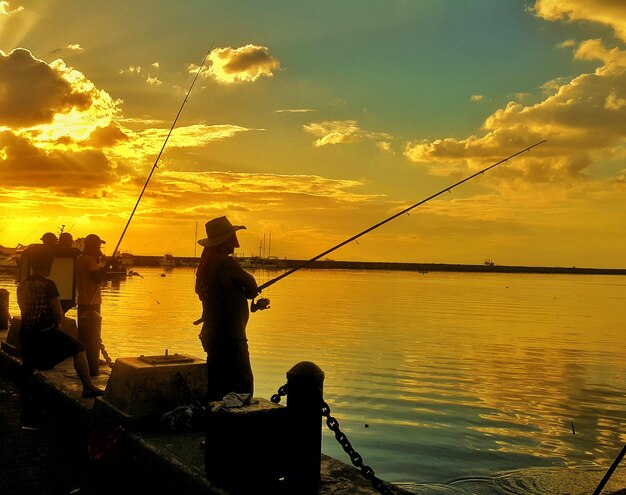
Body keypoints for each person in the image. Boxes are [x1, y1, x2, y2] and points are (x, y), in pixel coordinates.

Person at [17, 250, 103, 414]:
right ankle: (88, 387)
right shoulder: (48, 285)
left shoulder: (23, 284)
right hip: (45, 332)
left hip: (26, 333)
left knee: (27, 370)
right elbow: (58, 313)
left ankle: (25, 406)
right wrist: (59, 327)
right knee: (79, 347)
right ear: (49, 266)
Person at [195, 216, 259, 402]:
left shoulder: (206, 267)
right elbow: (251, 285)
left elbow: (227, 291)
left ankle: (215, 426)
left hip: (212, 335)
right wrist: (250, 292)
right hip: (230, 337)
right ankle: (235, 429)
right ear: (224, 241)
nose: (235, 243)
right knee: (242, 387)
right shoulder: (225, 263)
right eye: (231, 237)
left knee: (218, 386)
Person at [75, 234, 107, 316]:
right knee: (92, 326)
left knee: (83, 326)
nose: (99, 249)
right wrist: (108, 265)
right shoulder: (90, 260)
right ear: (93, 246)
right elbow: (97, 278)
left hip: (82, 301)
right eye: (98, 246)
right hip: (92, 302)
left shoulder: (81, 258)